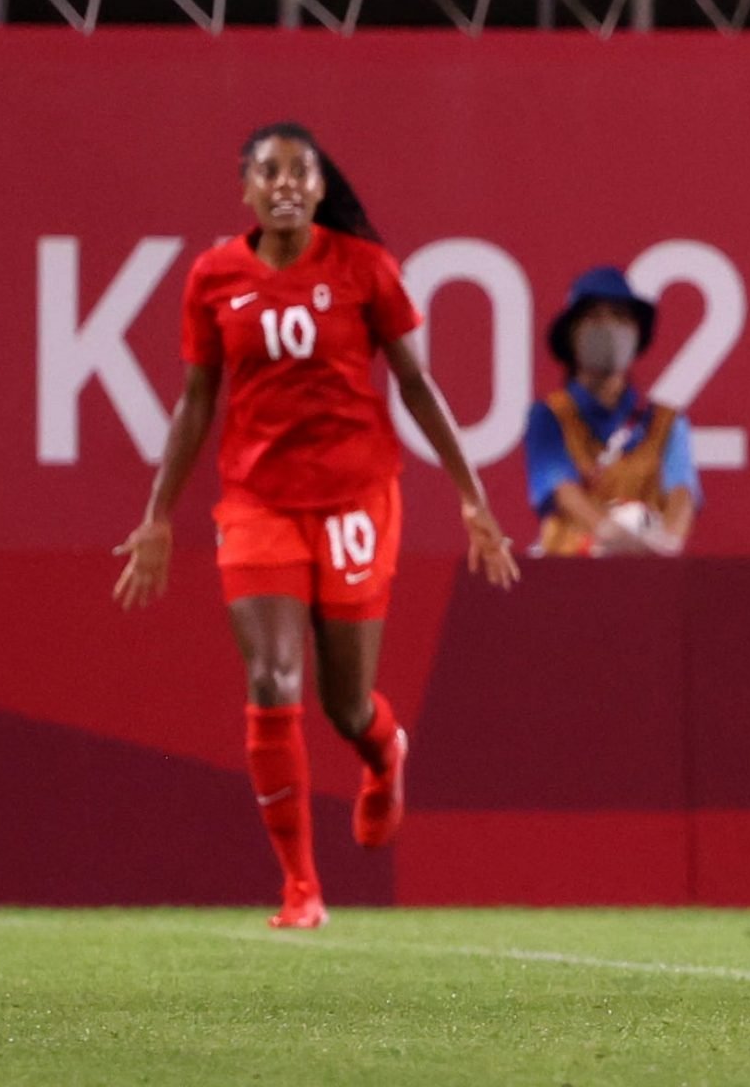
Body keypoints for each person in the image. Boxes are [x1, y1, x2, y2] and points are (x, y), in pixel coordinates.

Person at [112, 123, 521, 930]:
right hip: (259, 503)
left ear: (322, 189)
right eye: (270, 171)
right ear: (247, 191)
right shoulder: (212, 276)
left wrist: (472, 497)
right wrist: (159, 515)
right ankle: (300, 887)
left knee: (343, 704)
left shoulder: (365, 269)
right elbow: (199, 399)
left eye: (302, 172)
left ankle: (383, 751)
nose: (288, 183)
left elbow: (417, 384)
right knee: (272, 679)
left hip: (355, 499)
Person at [524, 267, 702, 557]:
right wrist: (613, 535)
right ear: (572, 333)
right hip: (567, 577)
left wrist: (667, 546)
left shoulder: (667, 422)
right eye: (594, 317)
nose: (607, 327)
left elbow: (682, 493)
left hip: (646, 578)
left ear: (636, 334)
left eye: (619, 317)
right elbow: (562, 491)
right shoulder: (549, 416)